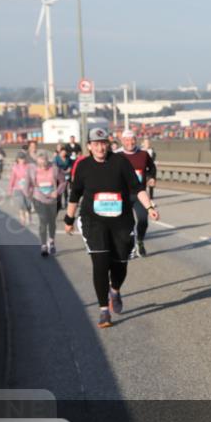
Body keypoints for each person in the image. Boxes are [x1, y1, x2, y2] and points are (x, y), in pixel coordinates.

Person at [65, 127, 159, 328]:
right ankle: (103, 311)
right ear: (89, 147)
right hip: (94, 222)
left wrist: (149, 207)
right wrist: (68, 218)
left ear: (108, 145)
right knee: (100, 263)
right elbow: (75, 195)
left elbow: (137, 188)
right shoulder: (83, 167)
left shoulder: (120, 162)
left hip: (121, 221)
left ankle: (114, 290)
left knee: (120, 263)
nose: (100, 147)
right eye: (96, 144)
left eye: (103, 143)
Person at [118, 130, 157, 257]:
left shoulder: (144, 154)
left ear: (136, 140)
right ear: (122, 141)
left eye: (132, 139)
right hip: (123, 195)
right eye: (127, 140)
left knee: (143, 220)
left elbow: (152, 168)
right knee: (127, 223)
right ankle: (128, 246)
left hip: (140, 193)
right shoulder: (117, 156)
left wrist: (151, 177)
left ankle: (140, 240)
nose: (130, 142)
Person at [27, 150, 65, 257]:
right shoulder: (34, 171)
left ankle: (51, 241)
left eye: (44, 164)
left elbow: (63, 182)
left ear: (47, 161)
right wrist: (29, 195)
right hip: (38, 199)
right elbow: (28, 184)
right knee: (43, 220)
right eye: (40, 164)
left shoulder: (54, 169)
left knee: (52, 222)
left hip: (52, 200)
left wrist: (57, 192)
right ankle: (43, 245)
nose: (42, 167)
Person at [8, 151, 32, 227]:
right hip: (18, 188)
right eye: (20, 159)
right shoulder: (15, 168)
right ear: (17, 159)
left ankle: (28, 215)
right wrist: (10, 189)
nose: (22, 160)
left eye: (23, 158)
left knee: (28, 205)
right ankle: (23, 219)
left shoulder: (28, 167)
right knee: (21, 203)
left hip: (27, 188)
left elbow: (31, 178)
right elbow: (12, 179)